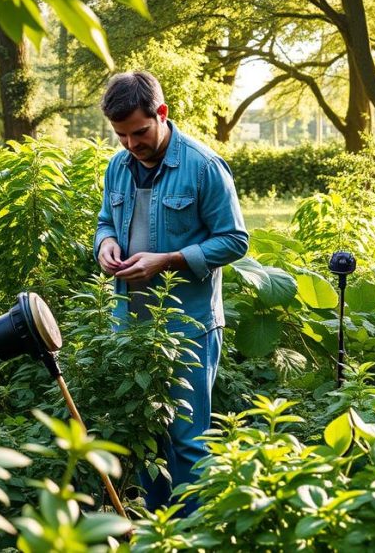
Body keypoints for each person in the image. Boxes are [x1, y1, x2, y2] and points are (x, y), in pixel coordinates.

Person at [94, 71, 248, 512]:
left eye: (139, 132)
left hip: (187, 327)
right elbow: (107, 220)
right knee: (146, 437)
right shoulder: (117, 166)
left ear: (161, 114)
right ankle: (158, 528)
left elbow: (235, 239)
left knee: (187, 440)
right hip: (133, 326)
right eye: (121, 135)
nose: (130, 144)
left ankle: (194, 532)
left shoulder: (203, 166)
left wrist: (167, 259)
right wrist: (104, 243)